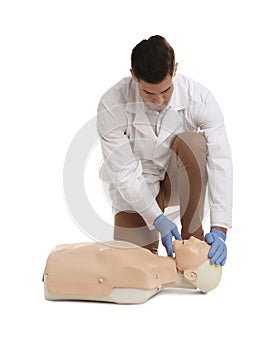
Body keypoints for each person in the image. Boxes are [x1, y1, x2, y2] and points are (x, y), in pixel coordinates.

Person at [97, 35, 232, 265]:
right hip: (137, 185)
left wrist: (220, 228)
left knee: (194, 143)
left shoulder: (199, 99)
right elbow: (125, 173)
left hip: (179, 179)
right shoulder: (111, 104)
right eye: (149, 93)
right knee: (130, 268)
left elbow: (220, 160)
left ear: (175, 69)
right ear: (133, 76)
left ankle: (192, 238)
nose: (159, 100)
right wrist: (157, 218)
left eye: (166, 91)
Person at [43, 237, 222, 303]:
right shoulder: (149, 267)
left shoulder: (145, 278)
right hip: (59, 259)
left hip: (58, 265)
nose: (193, 238)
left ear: (191, 274)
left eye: (199, 247)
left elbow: (101, 271)